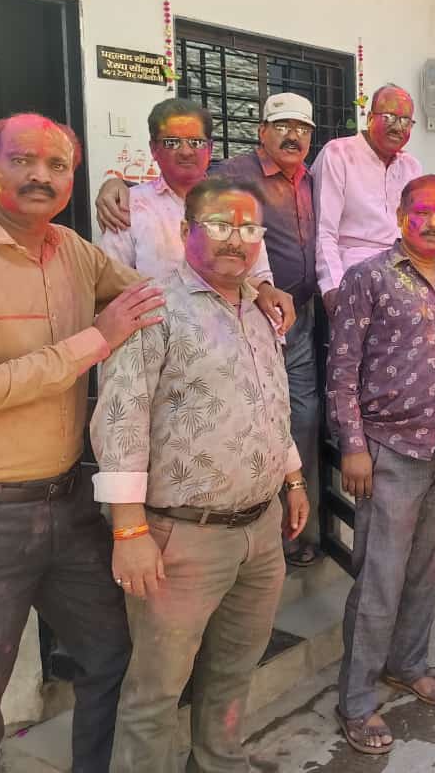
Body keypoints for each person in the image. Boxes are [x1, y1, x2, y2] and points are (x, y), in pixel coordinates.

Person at [0, 114, 160, 773]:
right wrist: (96, 340)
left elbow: (156, 298)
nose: (41, 176)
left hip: (68, 504)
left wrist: (254, 287)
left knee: (111, 657)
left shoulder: (73, 249)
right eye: (23, 160)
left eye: (58, 165)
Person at [90, 176, 308, 773]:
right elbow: (121, 419)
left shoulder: (261, 308)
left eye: (248, 228)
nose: (235, 240)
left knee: (234, 671)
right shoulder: (151, 307)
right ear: (186, 231)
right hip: (180, 538)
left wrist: (292, 478)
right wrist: (129, 530)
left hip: (260, 531)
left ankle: (219, 762)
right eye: (219, 225)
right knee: (156, 692)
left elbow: (269, 401)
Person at [327, 174, 435, 756]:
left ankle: (408, 664)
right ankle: (356, 701)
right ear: (401, 214)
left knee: (429, 571)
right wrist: (353, 446)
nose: (433, 223)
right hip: (388, 451)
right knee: (381, 578)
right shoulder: (367, 278)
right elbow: (342, 369)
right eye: (422, 212)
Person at [215, 93, 322, 566]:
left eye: (302, 128)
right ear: (262, 131)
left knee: (304, 417)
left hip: (302, 318)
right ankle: (251, 543)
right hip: (250, 315)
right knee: (254, 419)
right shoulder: (233, 174)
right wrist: (117, 185)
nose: (293, 135)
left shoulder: (312, 179)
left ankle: (295, 532)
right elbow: (182, 197)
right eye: (282, 126)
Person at [95, 97, 296, 333]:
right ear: (153, 149)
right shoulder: (128, 207)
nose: (186, 151)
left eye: (196, 142)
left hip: (229, 338)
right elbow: (111, 289)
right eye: (172, 142)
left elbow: (257, 271)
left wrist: (266, 289)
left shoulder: (236, 203)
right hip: (159, 341)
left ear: (210, 148)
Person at [314, 83, 423, 316]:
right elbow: (324, 231)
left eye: (406, 121)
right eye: (390, 117)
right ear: (370, 118)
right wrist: (333, 287)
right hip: (355, 269)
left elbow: (416, 231)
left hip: (403, 269)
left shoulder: (411, 166)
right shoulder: (338, 154)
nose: (398, 127)